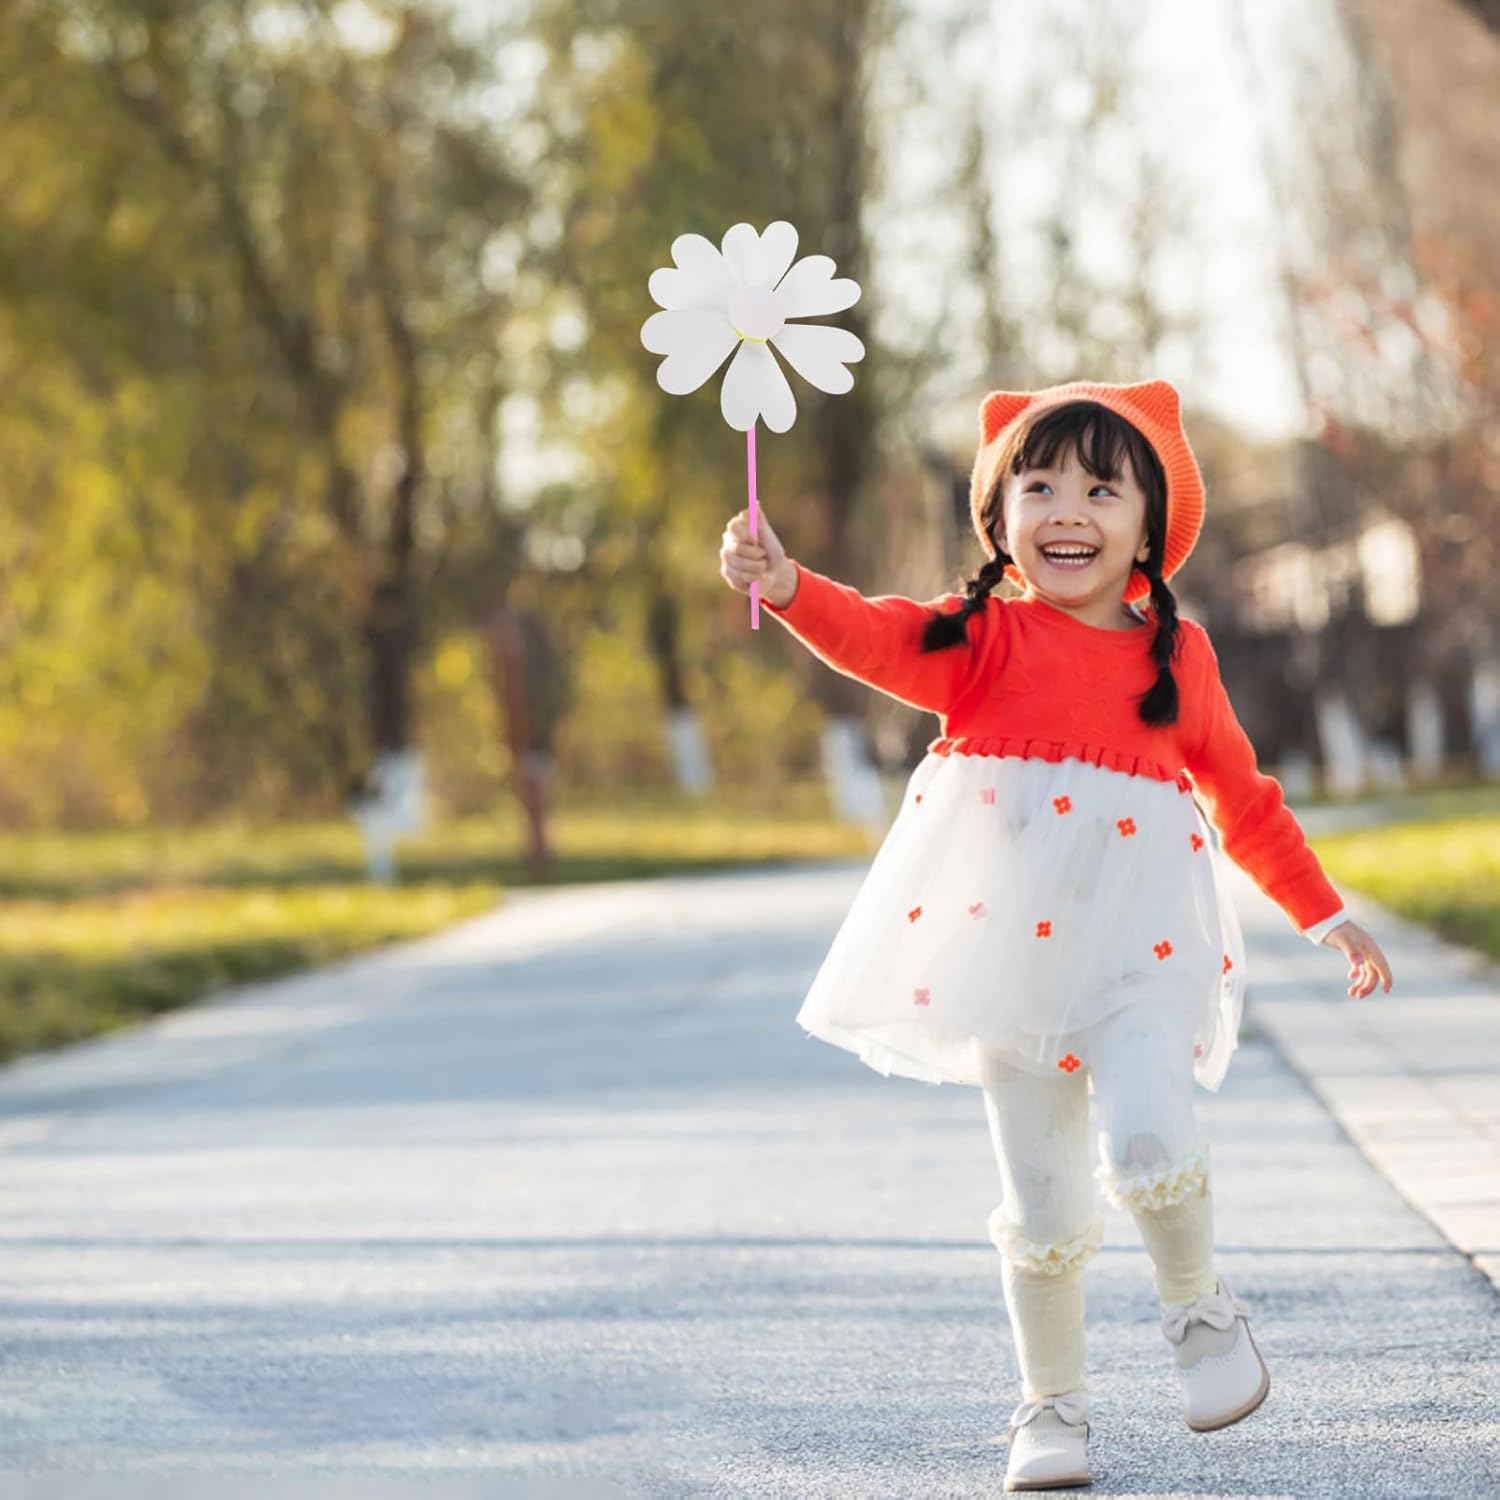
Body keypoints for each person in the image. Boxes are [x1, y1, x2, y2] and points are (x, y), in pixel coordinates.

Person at [718, 379, 1394, 1492]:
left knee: (1147, 1137)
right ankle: (1053, 1406)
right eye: (1038, 487)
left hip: (1144, 954)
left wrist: (1322, 912)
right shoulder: (978, 636)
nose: (1067, 510)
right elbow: (874, 636)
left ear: (1148, 528)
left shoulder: (1177, 655)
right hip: (1010, 965)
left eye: (1099, 490)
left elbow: (1243, 796)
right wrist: (787, 585)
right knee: (1041, 1204)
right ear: (999, 519)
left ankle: (1200, 1314)